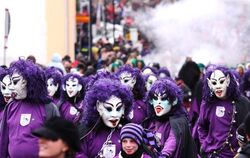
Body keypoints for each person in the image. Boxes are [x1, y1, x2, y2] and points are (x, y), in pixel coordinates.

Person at [0, 58, 60, 158]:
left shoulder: (49, 107)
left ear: (28, 81)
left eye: (15, 82)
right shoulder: (10, 106)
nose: (11, 87)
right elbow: (3, 141)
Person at [198, 66, 250, 158]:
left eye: (221, 81)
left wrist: (243, 151)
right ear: (210, 84)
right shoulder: (207, 104)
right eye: (214, 83)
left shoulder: (242, 102)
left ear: (228, 80)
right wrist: (205, 144)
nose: (218, 86)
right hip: (212, 154)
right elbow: (202, 127)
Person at [77, 78, 133, 158]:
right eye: (109, 109)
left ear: (124, 108)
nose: (114, 115)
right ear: (98, 107)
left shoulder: (129, 130)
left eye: (118, 108)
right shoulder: (88, 132)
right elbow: (77, 153)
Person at [143, 78, 197, 158]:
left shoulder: (179, 121)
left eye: (163, 98)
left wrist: (164, 155)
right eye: (155, 98)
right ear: (151, 101)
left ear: (174, 101)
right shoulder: (153, 120)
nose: (158, 102)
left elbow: (173, 139)